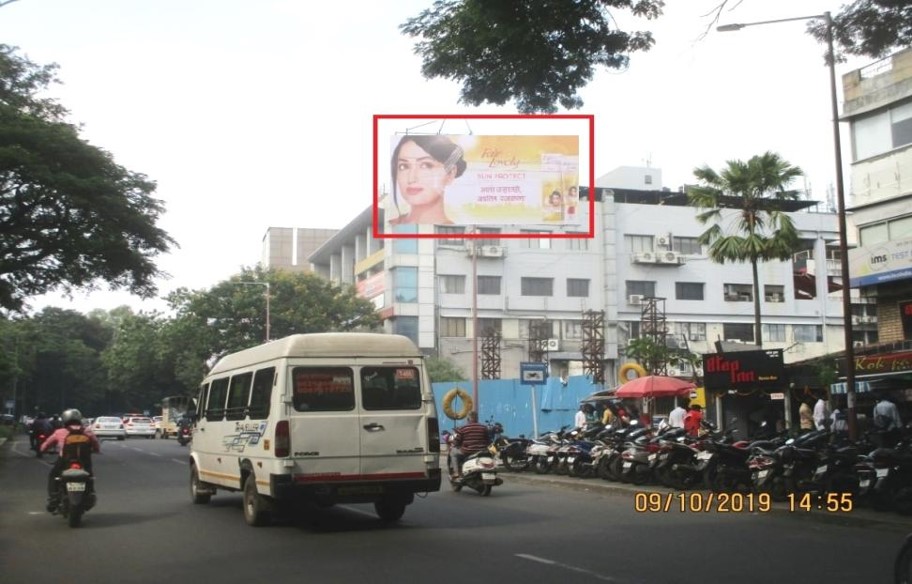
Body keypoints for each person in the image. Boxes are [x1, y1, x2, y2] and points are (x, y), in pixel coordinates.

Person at [389, 135, 467, 225]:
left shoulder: (454, 233)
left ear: (450, 173)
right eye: (404, 166)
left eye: (426, 165)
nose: (411, 178)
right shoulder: (388, 226)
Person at [41, 408, 100, 512]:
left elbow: (45, 445)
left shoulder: (59, 432)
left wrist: (43, 450)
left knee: (53, 476)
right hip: (84, 461)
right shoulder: (87, 431)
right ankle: (90, 494)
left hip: (64, 461)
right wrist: (95, 450)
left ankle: (53, 498)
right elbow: (96, 445)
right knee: (89, 477)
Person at [448, 411, 490, 479]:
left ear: (468, 419)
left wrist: (454, 443)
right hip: (482, 451)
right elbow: (488, 440)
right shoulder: (484, 427)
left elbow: (457, 441)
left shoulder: (463, 428)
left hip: (467, 451)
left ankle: (456, 472)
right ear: (477, 418)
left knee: (453, 452)